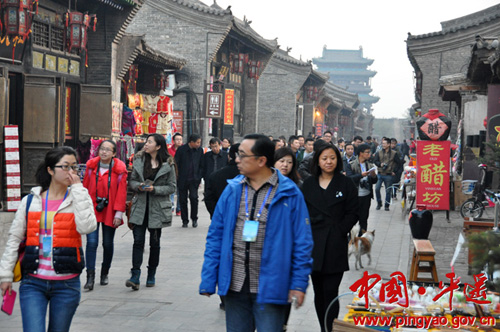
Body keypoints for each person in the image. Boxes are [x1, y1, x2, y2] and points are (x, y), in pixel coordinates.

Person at [199, 134, 313, 332]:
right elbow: (216, 235)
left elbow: (302, 242)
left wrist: (299, 282)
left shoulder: (290, 193)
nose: (236, 159)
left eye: (243, 155)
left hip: (270, 286)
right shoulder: (232, 189)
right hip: (235, 285)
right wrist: (209, 277)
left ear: (261, 160)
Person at [0, 146, 97, 332]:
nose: (71, 172)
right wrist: (6, 275)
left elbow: (87, 227)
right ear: (50, 170)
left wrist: (78, 188)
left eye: (74, 167)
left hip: (66, 284)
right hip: (33, 283)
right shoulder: (30, 201)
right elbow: (14, 239)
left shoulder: (77, 198)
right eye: (66, 166)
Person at [301, 143, 359, 332]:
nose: (328, 162)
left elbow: (353, 211)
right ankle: (323, 327)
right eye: (324, 158)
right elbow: (301, 212)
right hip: (314, 243)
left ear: (338, 160)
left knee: (331, 291)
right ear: (317, 160)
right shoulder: (308, 184)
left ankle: (330, 328)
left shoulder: (345, 183)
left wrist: (340, 230)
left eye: (332, 158)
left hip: (335, 243)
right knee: (319, 292)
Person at [126, 134, 176, 290]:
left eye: (149, 142)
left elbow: (172, 187)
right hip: (140, 207)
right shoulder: (139, 160)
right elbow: (132, 181)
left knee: (155, 243)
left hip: (157, 209)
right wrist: (139, 186)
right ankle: (135, 275)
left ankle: (151, 274)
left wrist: (155, 189)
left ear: (158, 146)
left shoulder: (168, 164)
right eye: (146, 142)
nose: (146, 144)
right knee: (138, 242)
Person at [82, 140, 128, 291]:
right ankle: (90, 277)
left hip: (110, 211)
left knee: (107, 244)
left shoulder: (119, 170)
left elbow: (121, 193)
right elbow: (85, 188)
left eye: (108, 150)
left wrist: (119, 213)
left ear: (114, 153)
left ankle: (104, 272)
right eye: (102, 149)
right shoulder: (90, 167)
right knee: (91, 243)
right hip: (92, 210)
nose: (104, 152)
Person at [204, 143, 241, 311]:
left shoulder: (216, 176)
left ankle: (224, 297)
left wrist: (215, 215)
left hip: (222, 223)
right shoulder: (249, 178)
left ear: (229, 156)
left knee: (222, 256)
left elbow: (209, 198)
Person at [346, 143, 377, 235]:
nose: (369, 154)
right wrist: (360, 175)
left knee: (364, 219)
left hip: (366, 196)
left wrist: (374, 176)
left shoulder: (370, 165)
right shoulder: (351, 165)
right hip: (355, 196)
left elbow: (374, 181)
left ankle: (362, 238)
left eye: (369, 152)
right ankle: (350, 238)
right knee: (352, 218)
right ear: (361, 153)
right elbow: (349, 178)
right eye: (367, 152)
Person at [175, 133, 203, 228]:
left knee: (194, 198)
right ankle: (185, 220)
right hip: (182, 180)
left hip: (194, 180)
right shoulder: (181, 150)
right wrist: (177, 177)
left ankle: (194, 218)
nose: (199, 144)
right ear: (191, 142)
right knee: (182, 200)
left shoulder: (200, 150)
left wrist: (199, 176)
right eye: (197, 142)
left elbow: (201, 164)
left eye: (199, 142)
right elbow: (176, 164)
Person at [374, 137, 398, 211]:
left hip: (389, 174)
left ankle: (386, 205)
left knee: (388, 191)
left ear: (389, 144)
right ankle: (379, 203)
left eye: (384, 143)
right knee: (377, 189)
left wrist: (395, 171)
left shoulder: (394, 153)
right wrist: (379, 164)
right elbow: (375, 161)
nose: (383, 145)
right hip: (380, 174)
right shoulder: (379, 152)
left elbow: (398, 163)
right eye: (382, 143)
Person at [168, 132, 183, 216]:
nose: (179, 141)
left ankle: (179, 209)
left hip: (181, 174)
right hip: (172, 174)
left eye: (180, 139)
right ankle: (171, 207)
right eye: (177, 139)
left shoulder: (184, 150)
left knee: (181, 192)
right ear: (173, 140)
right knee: (171, 192)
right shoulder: (169, 151)